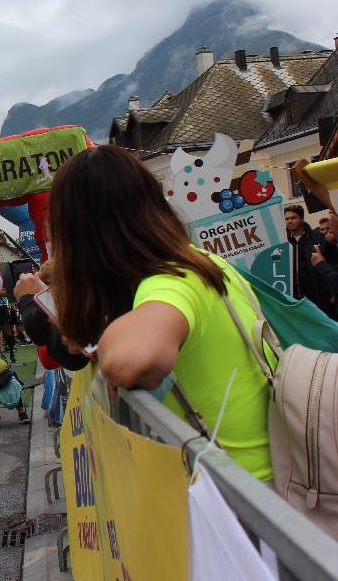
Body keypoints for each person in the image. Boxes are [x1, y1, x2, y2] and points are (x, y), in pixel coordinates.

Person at [20, 145, 276, 480]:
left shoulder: (171, 281)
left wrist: (93, 336)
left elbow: (134, 360)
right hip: (236, 485)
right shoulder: (201, 261)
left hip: (235, 495)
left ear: (83, 235)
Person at [285, 204, 330, 315]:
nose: (289, 221)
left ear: (301, 219)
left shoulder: (317, 237)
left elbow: (330, 263)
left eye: (293, 218)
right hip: (294, 299)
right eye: (287, 219)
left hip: (319, 297)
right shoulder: (283, 241)